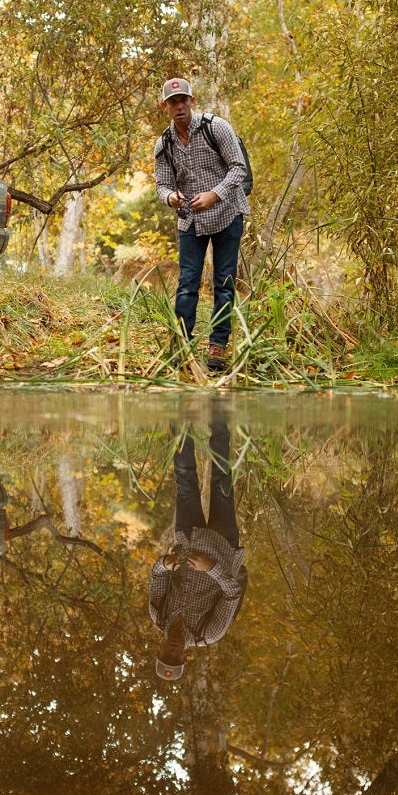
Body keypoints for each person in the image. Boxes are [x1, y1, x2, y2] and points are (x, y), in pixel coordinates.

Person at [152, 77, 249, 375]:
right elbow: (161, 185)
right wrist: (171, 197)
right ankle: (183, 343)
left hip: (227, 212)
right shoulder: (164, 144)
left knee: (224, 282)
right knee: (187, 283)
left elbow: (239, 168)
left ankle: (218, 346)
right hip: (190, 219)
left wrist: (214, 194)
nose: (179, 106)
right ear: (165, 106)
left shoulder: (215, 127)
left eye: (183, 100)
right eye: (173, 102)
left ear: (191, 101)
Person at [149, 407, 247, 680]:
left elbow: (156, 575)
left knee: (184, 477)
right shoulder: (210, 633)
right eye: (175, 659)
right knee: (221, 477)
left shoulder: (158, 615)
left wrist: (165, 564)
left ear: (159, 651)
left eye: (166, 656)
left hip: (188, 537)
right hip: (223, 544)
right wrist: (211, 568)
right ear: (185, 658)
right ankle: (219, 412)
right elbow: (233, 593)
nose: (172, 652)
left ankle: (180, 412)